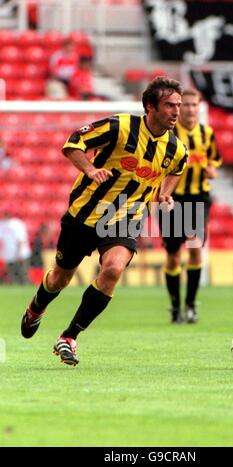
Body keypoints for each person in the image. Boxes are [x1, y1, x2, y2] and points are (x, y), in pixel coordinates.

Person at [20, 76, 188, 367]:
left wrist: (164, 194)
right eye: (169, 105)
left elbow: (177, 167)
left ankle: (69, 337)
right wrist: (90, 170)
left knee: (112, 270)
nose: (175, 111)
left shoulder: (177, 149)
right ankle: (37, 307)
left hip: (125, 218)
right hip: (85, 214)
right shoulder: (120, 126)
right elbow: (73, 143)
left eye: (178, 106)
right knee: (60, 277)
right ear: (150, 106)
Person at [160, 88, 222, 324]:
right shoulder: (169, 134)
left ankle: (191, 304)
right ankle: (176, 307)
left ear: (199, 107)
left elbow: (215, 160)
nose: (189, 109)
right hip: (172, 199)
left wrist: (212, 170)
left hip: (198, 199)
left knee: (195, 249)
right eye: (185, 105)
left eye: (193, 105)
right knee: (173, 255)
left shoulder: (207, 134)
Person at [0, 212, 31, 284]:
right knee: (13, 274)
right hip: (9, 254)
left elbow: (20, 240)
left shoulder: (17, 224)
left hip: (20, 254)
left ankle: (26, 287)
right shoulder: (2, 224)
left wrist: (19, 253)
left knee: (22, 273)